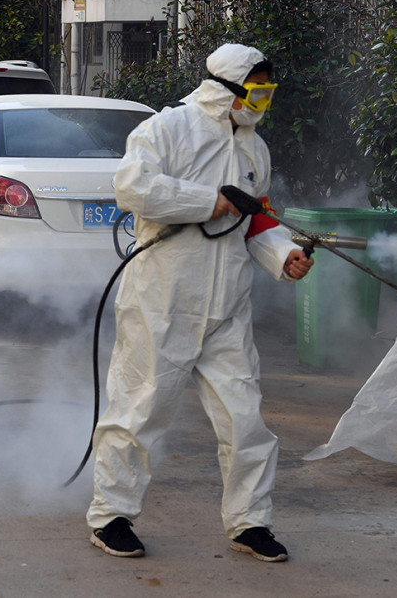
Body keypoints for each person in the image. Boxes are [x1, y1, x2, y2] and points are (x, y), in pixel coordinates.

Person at [86, 44, 314, 562]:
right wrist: (209, 201)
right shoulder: (167, 129)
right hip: (162, 300)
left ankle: (250, 523)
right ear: (224, 88)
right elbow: (132, 188)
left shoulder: (255, 149)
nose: (262, 101)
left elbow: (255, 222)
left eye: (268, 92)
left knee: (245, 420)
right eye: (255, 91)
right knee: (139, 410)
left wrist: (284, 257)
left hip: (227, 308)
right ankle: (111, 516)